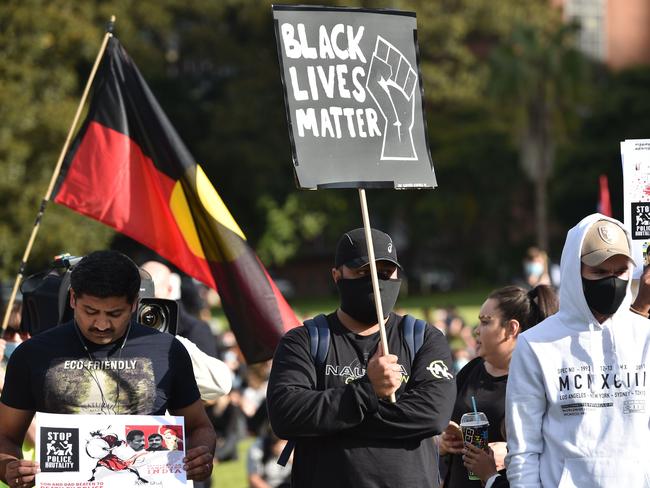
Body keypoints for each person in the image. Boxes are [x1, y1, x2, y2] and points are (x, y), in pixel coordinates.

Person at [0, 250, 216, 487]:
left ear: (134, 303)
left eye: (115, 314)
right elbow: (5, 436)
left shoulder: (167, 350)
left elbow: (200, 426)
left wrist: (201, 453)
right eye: (90, 311)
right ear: (73, 298)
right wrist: (9, 467)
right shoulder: (32, 354)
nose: (101, 324)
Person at [267, 227, 456, 488]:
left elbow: (433, 416)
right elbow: (285, 414)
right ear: (337, 275)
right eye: (363, 272)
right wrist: (368, 391)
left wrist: (335, 422)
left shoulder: (424, 338)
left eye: (385, 273)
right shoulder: (304, 341)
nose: (377, 282)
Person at [505, 214, 650, 486]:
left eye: (620, 271)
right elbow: (524, 449)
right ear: (575, 270)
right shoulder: (536, 344)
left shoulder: (645, 337)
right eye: (598, 272)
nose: (612, 280)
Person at [438, 284, 558, 487]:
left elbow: (557, 443)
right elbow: (443, 424)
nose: (476, 331)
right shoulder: (471, 370)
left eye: (485, 322)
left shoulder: (537, 379)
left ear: (511, 329)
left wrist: (512, 453)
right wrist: (443, 443)